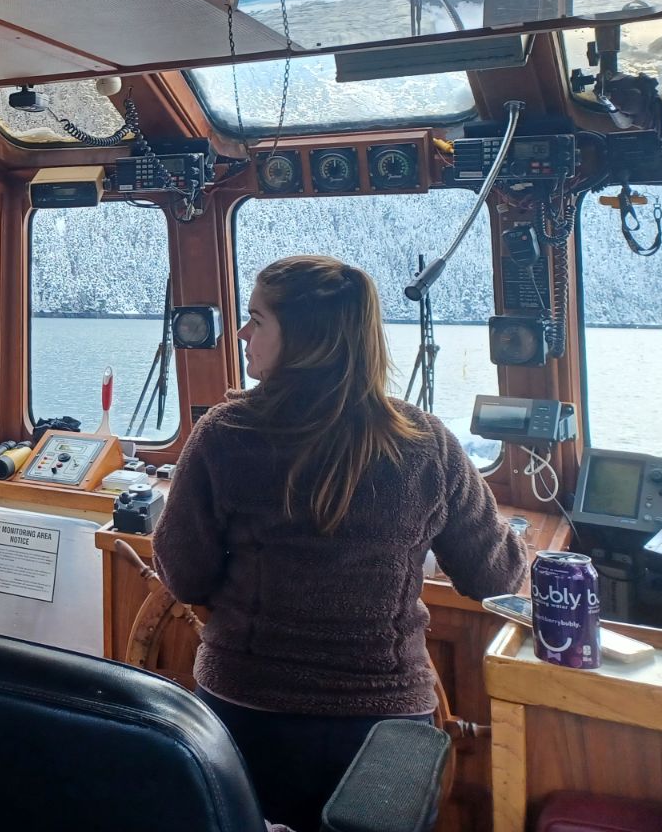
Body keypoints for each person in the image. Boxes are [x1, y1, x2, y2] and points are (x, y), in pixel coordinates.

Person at [151, 255, 525, 831]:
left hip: (245, 709)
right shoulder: (427, 443)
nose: (244, 334)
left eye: (257, 319)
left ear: (302, 337)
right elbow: (495, 578)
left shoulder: (225, 434)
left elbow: (185, 576)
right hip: (386, 722)